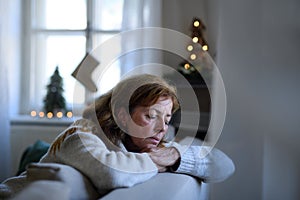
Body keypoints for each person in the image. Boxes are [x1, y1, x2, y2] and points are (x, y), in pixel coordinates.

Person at [1, 74, 234, 198]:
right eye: (152, 116)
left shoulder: (149, 145)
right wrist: (158, 161)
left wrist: (175, 155)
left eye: (167, 119)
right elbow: (111, 173)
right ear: (122, 116)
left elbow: (225, 165)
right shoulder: (81, 136)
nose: (162, 128)